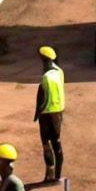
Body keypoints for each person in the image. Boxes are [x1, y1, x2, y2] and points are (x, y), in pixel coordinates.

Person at [34, 45, 65, 183]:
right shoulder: (59, 72)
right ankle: (58, 175)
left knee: (46, 144)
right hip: (58, 111)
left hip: (47, 114)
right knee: (57, 143)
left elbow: (43, 98)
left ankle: (49, 175)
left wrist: (38, 112)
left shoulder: (46, 77)